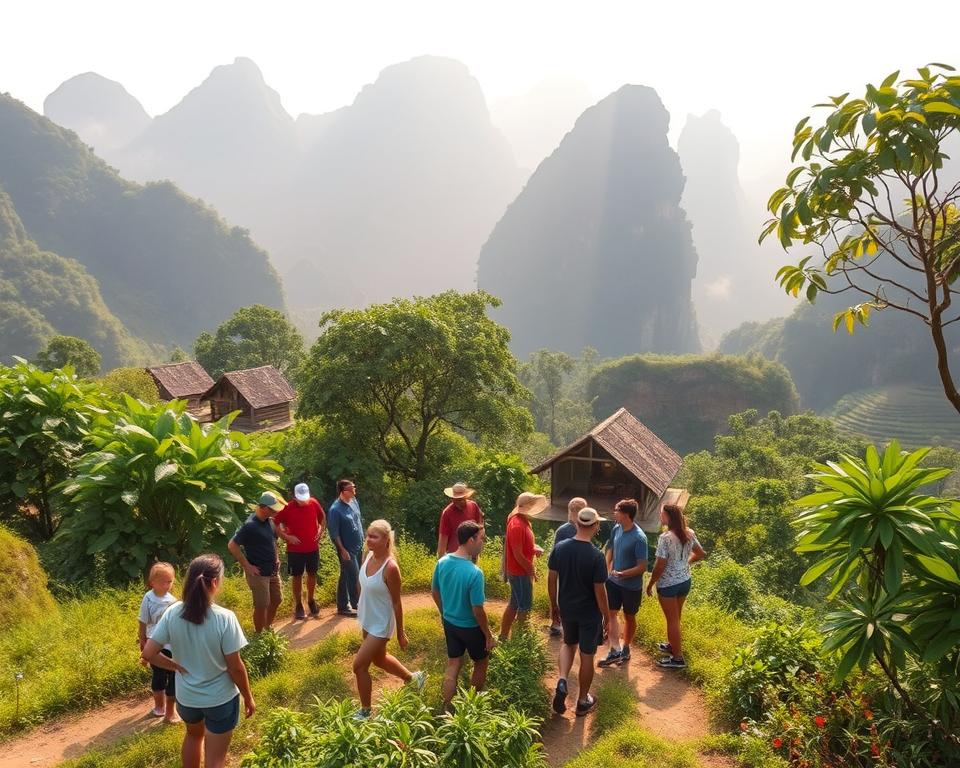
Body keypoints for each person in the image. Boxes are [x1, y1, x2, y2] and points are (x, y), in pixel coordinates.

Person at [141, 554, 255, 768]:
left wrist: (173, 665)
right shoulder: (225, 618)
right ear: (214, 582)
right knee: (216, 759)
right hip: (219, 699)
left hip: (188, 699)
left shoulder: (173, 612)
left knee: (193, 737)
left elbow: (148, 652)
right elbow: (235, 667)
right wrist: (248, 697)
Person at [352, 519, 426, 719]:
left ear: (386, 540)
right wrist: (361, 605)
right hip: (368, 617)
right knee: (379, 659)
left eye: (374, 536)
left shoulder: (391, 568)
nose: (369, 539)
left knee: (359, 666)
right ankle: (412, 678)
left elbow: (397, 603)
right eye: (368, 535)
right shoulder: (366, 556)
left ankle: (366, 711)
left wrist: (400, 633)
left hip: (381, 624)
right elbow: (363, 585)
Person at [548, 506, 609, 717]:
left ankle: (562, 679)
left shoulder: (561, 548)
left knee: (568, 644)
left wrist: (553, 605)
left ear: (577, 523)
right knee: (586, 655)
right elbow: (600, 591)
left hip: (566, 607)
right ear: (596, 526)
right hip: (589, 613)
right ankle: (583, 701)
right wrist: (607, 616)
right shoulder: (596, 556)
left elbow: (552, 578)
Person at [432, 520, 495, 710]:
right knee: (481, 662)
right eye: (481, 539)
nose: (482, 543)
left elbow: (435, 592)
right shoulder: (475, 573)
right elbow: (477, 610)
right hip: (471, 627)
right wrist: (488, 635)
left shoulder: (442, 562)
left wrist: (445, 612)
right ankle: (471, 706)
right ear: (470, 540)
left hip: (450, 623)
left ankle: (447, 706)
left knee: (453, 664)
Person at [646, 504, 707, 669]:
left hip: (668, 584)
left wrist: (651, 583)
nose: (660, 517)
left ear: (669, 517)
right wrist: (684, 563)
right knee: (676, 617)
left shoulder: (665, 538)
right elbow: (701, 553)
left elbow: (660, 565)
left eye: (662, 514)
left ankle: (677, 658)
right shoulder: (689, 532)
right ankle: (673, 645)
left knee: (672, 620)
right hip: (685, 581)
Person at [598, 499, 648, 668]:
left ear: (626, 514)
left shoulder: (639, 538)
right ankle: (614, 649)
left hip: (631, 586)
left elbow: (642, 567)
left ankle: (626, 647)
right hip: (613, 582)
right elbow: (610, 549)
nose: (614, 513)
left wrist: (623, 573)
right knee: (611, 613)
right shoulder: (616, 529)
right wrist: (607, 568)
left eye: (617, 511)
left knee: (629, 617)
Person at [228, 491, 284, 632]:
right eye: (272, 509)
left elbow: (273, 541)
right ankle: (258, 634)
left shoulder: (269, 522)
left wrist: (276, 557)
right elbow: (232, 545)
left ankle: (268, 626)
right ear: (264, 508)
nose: (275, 511)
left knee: (277, 600)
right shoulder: (250, 526)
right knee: (261, 605)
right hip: (258, 573)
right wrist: (247, 566)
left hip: (272, 571)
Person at [499, 491, 548, 642]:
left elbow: (523, 545)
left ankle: (504, 637)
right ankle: (520, 641)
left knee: (514, 603)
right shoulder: (517, 524)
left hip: (520, 570)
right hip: (519, 572)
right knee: (524, 607)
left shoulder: (523, 520)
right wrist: (531, 570)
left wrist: (534, 548)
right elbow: (518, 554)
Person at [276, 482, 326, 620]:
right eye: (300, 499)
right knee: (297, 576)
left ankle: (311, 599)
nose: (303, 501)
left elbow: (322, 518)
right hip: (295, 550)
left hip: (312, 548)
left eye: (305, 498)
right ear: (294, 496)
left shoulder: (314, 503)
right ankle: (298, 605)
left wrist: (320, 531)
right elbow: (274, 524)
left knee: (312, 574)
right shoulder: (287, 508)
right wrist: (287, 537)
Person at [138, 561, 178, 722]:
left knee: (174, 673)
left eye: (170, 581)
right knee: (159, 674)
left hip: (171, 643)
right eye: (163, 582)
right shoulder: (148, 598)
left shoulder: (173, 600)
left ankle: (171, 708)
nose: (167, 585)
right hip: (153, 642)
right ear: (152, 582)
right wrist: (142, 639)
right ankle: (159, 705)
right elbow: (142, 620)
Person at [548, 497, 587, 636]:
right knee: (563, 598)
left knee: (562, 598)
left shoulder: (565, 529)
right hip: (570, 571)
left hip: (566, 571)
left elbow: (555, 555)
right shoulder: (571, 530)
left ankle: (558, 623)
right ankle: (557, 622)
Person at [328, 479, 364, 616]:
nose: (355, 489)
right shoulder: (335, 510)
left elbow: (358, 520)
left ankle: (342, 606)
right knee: (354, 576)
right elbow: (334, 533)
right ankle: (357, 605)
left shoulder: (354, 502)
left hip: (358, 545)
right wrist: (342, 550)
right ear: (344, 492)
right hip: (347, 549)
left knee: (346, 574)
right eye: (352, 488)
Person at [437, 482, 484, 557]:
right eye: (455, 499)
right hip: (455, 556)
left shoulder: (473, 506)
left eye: (460, 499)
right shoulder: (447, 513)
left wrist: (477, 551)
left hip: (471, 555)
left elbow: (480, 528)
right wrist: (442, 562)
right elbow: (443, 540)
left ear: (465, 497)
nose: (457, 502)